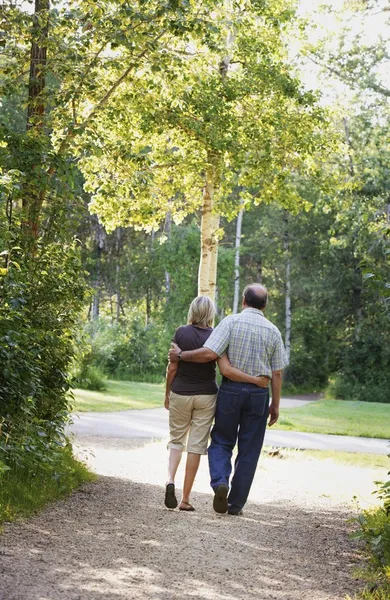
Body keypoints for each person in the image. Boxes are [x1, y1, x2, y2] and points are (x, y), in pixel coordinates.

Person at [169, 283, 288, 516]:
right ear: (264, 305)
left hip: (231, 391)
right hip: (259, 395)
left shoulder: (230, 322)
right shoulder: (273, 331)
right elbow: (277, 373)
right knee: (249, 449)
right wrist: (275, 404)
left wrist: (182, 355)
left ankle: (220, 482)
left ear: (244, 300)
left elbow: (210, 353)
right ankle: (234, 504)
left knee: (222, 441)